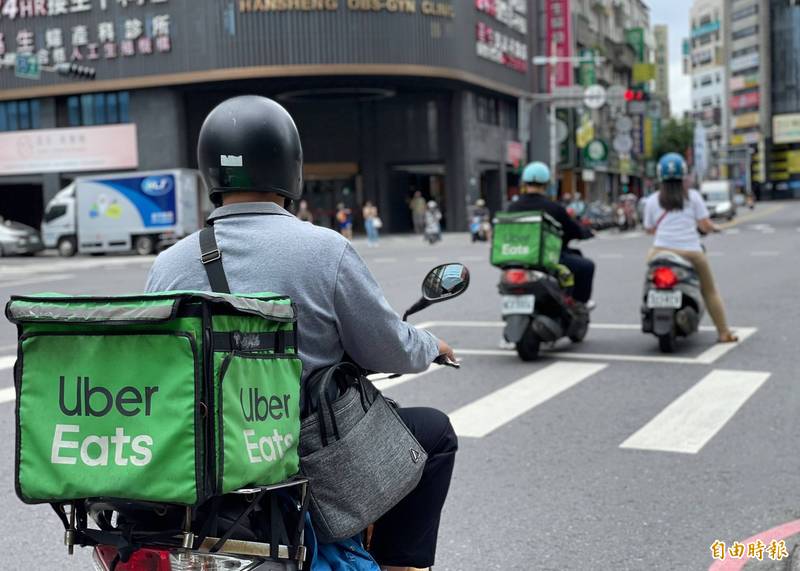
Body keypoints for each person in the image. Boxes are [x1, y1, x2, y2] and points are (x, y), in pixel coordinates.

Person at [145, 95, 457, 571]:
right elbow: (387, 346)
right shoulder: (324, 250)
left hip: (199, 458)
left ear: (211, 171)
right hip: (293, 453)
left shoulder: (168, 265)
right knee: (434, 433)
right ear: (290, 168)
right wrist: (431, 345)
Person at [643, 152, 738, 343]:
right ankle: (723, 332)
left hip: (660, 251)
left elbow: (649, 229)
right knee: (709, 291)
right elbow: (704, 225)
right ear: (684, 174)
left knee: (649, 281)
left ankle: (647, 307)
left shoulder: (652, 200)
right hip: (691, 253)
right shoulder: (693, 197)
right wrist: (714, 228)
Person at [508, 161, 595, 307]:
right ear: (546, 184)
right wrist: (586, 232)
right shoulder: (554, 208)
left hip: (519, 257)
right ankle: (578, 305)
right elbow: (573, 231)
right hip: (549, 259)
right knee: (587, 267)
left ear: (524, 182)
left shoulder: (512, 207)